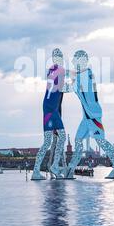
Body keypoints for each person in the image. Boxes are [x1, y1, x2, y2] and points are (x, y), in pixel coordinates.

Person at [63, 50, 114, 179]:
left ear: (82, 61)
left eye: (75, 60)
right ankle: (71, 169)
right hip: (86, 118)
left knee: (100, 141)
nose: (73, 62)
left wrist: (61, 76)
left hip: (93, 116)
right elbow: (73, 82)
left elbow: (70, 87)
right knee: (78, 140)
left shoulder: (86, 75)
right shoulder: (84, 74)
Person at [31, 48, 66, 180]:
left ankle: (36, 171)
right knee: (62, 137)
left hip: (48, 107)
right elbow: (62, 88)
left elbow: (58, 88)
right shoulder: (58, 70)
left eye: (60, 56)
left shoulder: (52, 70)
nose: (59, 58)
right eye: (57, 56)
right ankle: (55, 166)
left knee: (47, 141)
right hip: (51, 109)